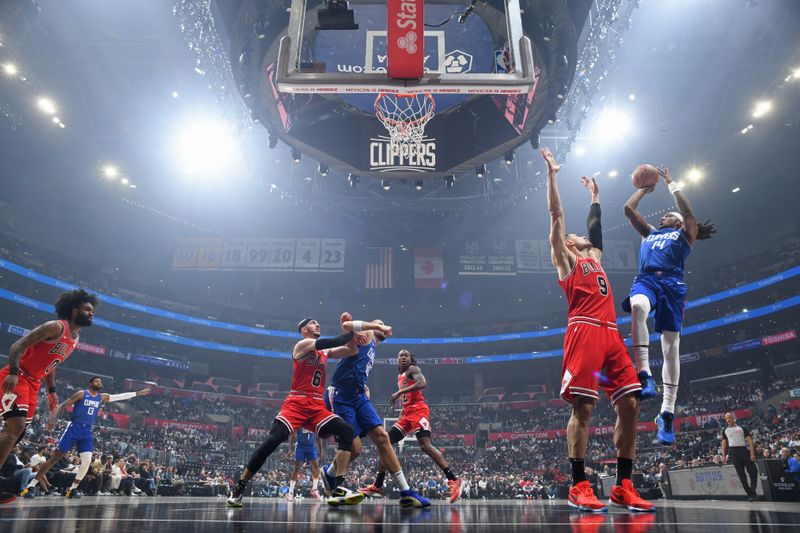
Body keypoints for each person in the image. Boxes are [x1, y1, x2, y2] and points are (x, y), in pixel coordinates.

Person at [541, 147, 654, 513]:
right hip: (585, 331)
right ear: (570, 244)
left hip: (610, 334)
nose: (583, 236)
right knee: (585, 406)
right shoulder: (567, 259)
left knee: (631, 404)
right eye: (576, 236)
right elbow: (557, 215)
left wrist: (595, 197)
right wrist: (553, 175)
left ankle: (623, 486)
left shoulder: (596, 258)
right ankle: (578, 484)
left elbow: (595, 230)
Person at [227, 318, 366, 508]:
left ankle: (339, 487)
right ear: (304, 329)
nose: (318, 325)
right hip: (297, 402)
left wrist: (354, 338)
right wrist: (352, 329)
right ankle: (240, 486)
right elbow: (332, 342)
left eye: (319, 322)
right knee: (273, 440)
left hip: (317, 406)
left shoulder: (323, 351)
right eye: (313, 323)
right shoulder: (303, 344)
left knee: (347, 431)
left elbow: (352, 351)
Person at [622, 167, 715, 445]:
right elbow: (628, 209)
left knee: (670, 346)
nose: (663, 216)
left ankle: (667, 412)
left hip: (672, 285)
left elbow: (688, 214)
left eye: (668, 216)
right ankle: (644, 375)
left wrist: (671, 184)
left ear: (677, 223)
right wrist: (643, 189)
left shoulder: (684, 235)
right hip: (646, 280)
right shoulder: (649, 233)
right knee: (637, 307)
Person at [0, 289, 97, 504]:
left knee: (17, 433)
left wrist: (51, 391)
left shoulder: (75, 338)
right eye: (87, 309)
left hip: (34, 383)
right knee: (14, 428)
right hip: (18, 377)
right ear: (74, 311)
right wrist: (14, 374)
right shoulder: (56, 327)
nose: (91, 314)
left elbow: (50, 365)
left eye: (92, 311)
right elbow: (18, 345)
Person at [324, 314, 430, 508]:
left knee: (383, 437)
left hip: (358, 396)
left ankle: (406, 492)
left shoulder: (372, 347)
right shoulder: (366, 334)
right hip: (341, 395)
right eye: (378, 323)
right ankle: (331, 475)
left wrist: (363, 385)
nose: (381, 326)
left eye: (382, 324)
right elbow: (347, 325)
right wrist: (377, 326)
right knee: (355, 449)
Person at [21, 377, 149, 499]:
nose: (99, 383)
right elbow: (62, 405)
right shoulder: (81, 394)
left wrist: (137, 393)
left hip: (87, 431)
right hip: (74, 428)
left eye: (100, 382)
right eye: (96, 381)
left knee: (87, 461)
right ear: (90, 383)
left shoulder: (101, 397)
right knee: (55, 458)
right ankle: (30, 486)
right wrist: (53, 418)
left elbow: (119, 397)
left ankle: (72, 489)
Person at [361, 349, 461, 503]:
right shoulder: (400, 376)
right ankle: (378, 485)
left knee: (425, 445)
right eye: (400, 355)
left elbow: (422, 383)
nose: (402, 357)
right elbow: (407, 398)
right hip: (407, 413)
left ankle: (453, 480)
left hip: (419, 410)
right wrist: (401, 412)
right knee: (385, 443)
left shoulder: (413, 369)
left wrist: (399, 393)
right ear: (397, 359)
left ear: (410, 359)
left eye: (405, 355)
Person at [721, 412, 759, 501]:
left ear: (733, 418)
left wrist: (752, 453)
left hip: (743, 450)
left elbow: (749, 440)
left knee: (753, 471)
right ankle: (750, 495)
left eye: (730, 417)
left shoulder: (742, 428)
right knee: (741, 475)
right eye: (727, 418)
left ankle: (752, 490)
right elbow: (724, 442)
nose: (728, 419)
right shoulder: (725, 430)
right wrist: (724, 455)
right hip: (733, 452)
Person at [287, 428, 323, 499]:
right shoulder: (300, 423)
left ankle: (314, 489)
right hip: (300, 446)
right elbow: (292, 436)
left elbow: (319, 437)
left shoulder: (314, 423)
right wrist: (290, 450)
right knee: (297, 468)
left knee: (316, 468)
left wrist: (321, 450)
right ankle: (291, 492)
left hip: (311, 447)